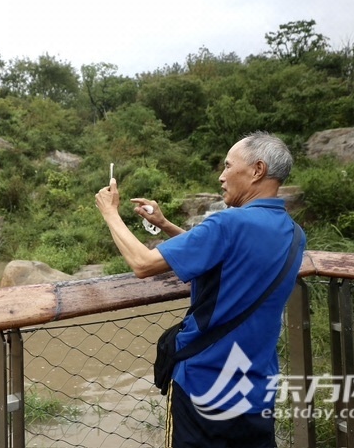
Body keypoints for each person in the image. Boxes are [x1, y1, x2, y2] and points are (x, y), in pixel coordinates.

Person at [95, 131, 306, 448]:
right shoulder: (293, 233)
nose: (221, 176)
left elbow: (142, 263)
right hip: (255, 385)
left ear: (257, 170)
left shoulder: (228, 223)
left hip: (203, 384)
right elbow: (223, 257)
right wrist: (165, 224)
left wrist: (110, 213)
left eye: (227, 166)